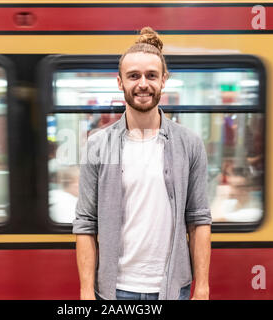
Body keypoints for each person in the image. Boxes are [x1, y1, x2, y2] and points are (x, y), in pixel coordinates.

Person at [73, 27, 212, 300]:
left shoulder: (189, 143)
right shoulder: (98, 145)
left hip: (173, 289)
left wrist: (203, 287)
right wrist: (86, 291)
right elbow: (86, 223)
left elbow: (199, 220)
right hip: (115, 290)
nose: (143, 84)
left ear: (164, 80)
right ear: (119, 82)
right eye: (133, 76)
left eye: (151, 75)